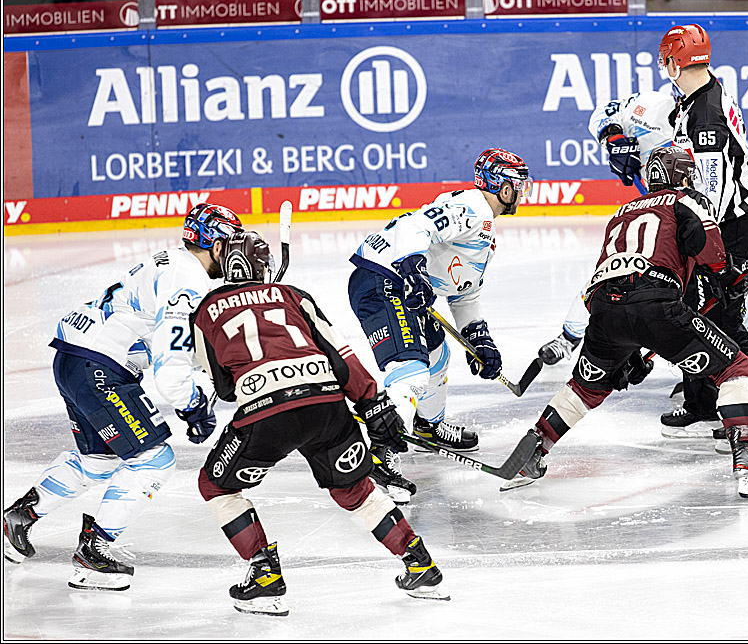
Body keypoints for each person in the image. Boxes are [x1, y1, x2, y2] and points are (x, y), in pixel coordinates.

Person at [503, 147, 748, 499]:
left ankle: (531, 454)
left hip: (604, 310)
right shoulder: (686, 201)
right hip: (655, 302)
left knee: (586, 388)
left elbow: (621, 279)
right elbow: (711, 255)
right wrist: (730, 278)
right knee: (737, 367)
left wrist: (629, 351)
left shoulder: (620, 213)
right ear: (684, 178)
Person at [542, 22, 748, 448]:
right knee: (687, 304)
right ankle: (703, 402)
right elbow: (607, 116)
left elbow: (711, 193)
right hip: (697, 215)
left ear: (672, 61)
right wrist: (617, 141)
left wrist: (709, 251)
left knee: (720, 311)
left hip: (723, 222)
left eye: (664, 60)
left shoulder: (706, 114)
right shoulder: (688, 100)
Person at [190, 231, 447, 615]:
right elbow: (340, 355)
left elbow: (225, 389)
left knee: (215, 485)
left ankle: (264, 576)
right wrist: (374, 404)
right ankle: (419, 563)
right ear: (264, 266)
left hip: (266, 413)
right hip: (326, 404)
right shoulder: (294, 295)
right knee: (354, 490)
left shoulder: (205, 310)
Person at [2, 203, 242, 590]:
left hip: (75, 356)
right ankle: (94, 554)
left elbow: (150, 339)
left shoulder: (173, 263)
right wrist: (192, 404)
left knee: (98, 461)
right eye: (231, 244)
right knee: (154, 460)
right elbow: (169, 364)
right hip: (99, 368)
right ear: (216, 246)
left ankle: (18, 519)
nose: (235, 254)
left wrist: (201, 375)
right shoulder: (189, 282)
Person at [348, 148, 534, 502]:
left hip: (399, 281)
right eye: (518, 184)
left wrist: (479, 338)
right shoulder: (474, 207)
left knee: (437, 353)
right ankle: (377, 454)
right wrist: (412, 266)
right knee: (412, 369)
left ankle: (428, 425)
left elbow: (464, 293)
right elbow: (413, 226)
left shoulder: (484, 231)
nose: (523, 192)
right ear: (502, 186)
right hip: (383, 279)